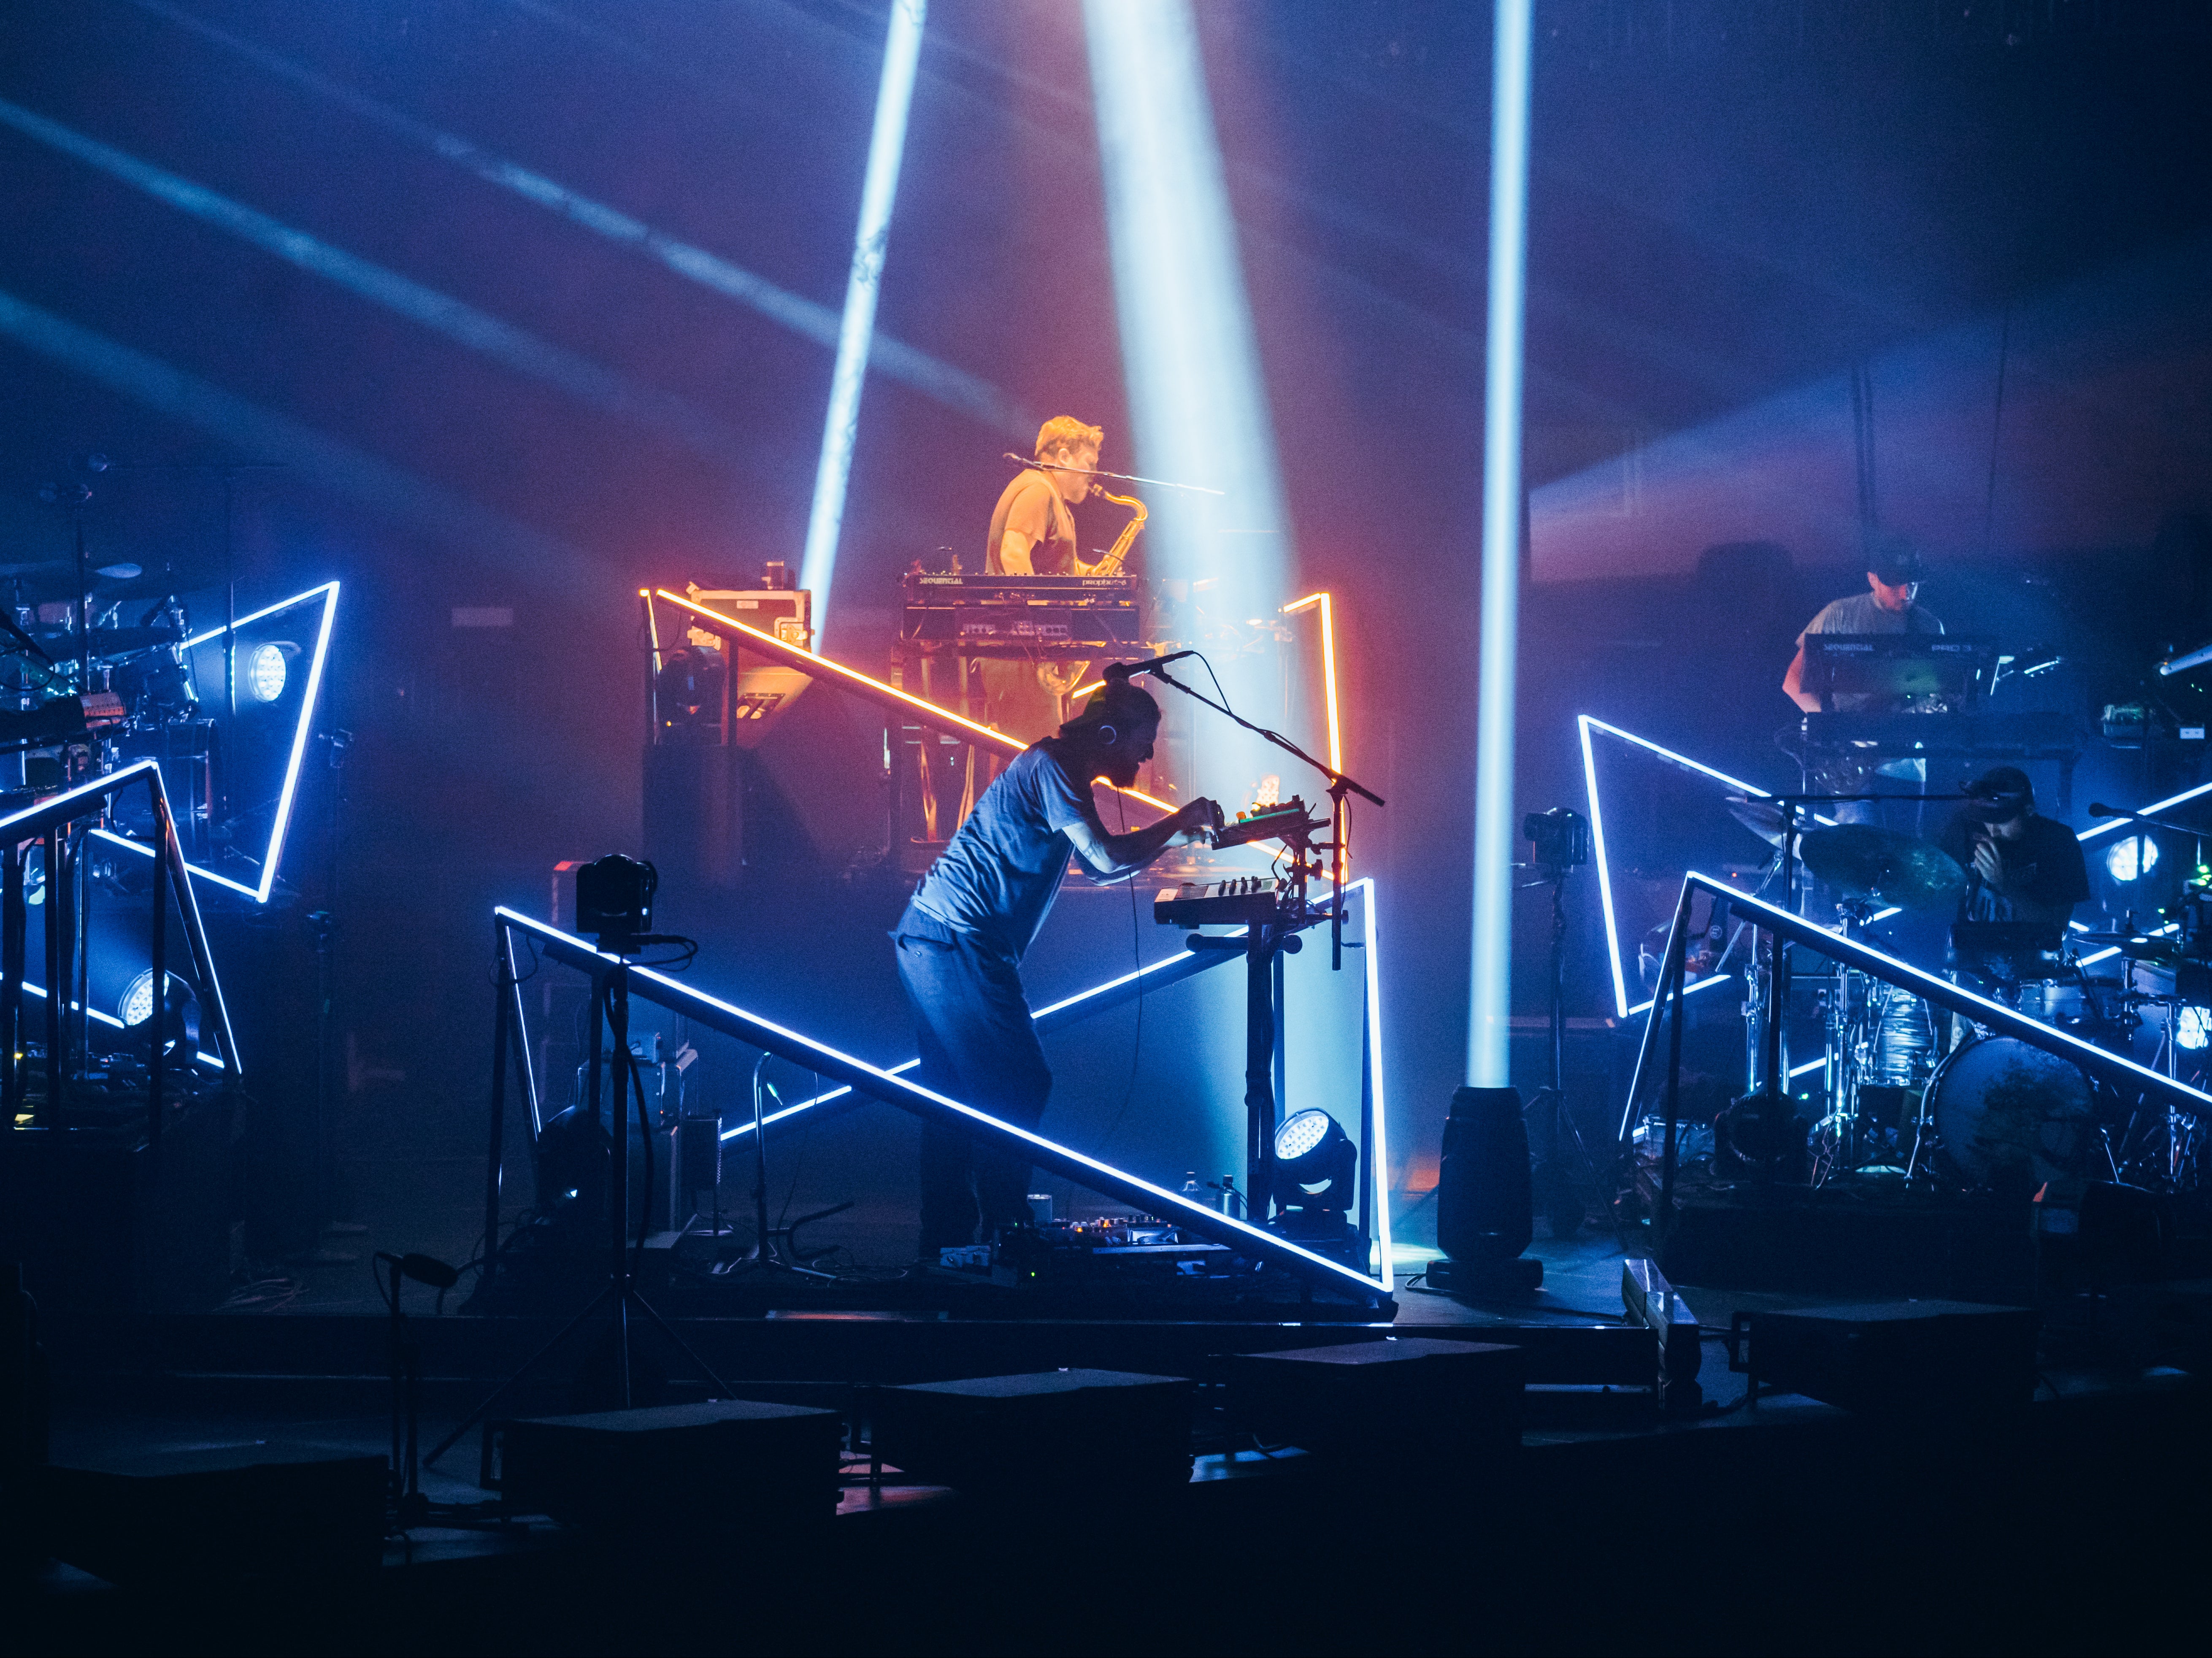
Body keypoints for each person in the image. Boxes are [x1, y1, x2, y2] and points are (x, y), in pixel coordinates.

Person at [891, 679, 1222, 1256]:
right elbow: (1102, 857)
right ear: (1110, 732)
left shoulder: (1061, 769)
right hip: (955, 939)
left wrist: (1173, 835)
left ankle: (949, 1242)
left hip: (935, 936)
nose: (1147, 758)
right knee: (1019, 1084)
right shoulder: (1053, 766)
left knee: (950, 1098)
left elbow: (1100, 869)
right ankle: (1006, 1233)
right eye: (1143, 744)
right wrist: (1176, 824)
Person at [978, 416, 1105, 741]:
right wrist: (1041, 622)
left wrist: (1097, 576)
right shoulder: (1038, 489)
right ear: (1063, 457)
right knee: (1035, 761)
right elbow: (1014, 552)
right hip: (1023, 649)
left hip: (1029, 649)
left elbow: (1052, 563)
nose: (1094, 475)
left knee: (1034, 760)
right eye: (1089, 464)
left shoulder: (1051, 497)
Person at [1781, 541, 1944, 715]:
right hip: (1848, 733)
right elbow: (1793, 681)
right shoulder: (1839, 614)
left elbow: (1943, 687)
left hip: (1909, 731)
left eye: (1912, 584)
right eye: (1895, 585)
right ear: (1872, 579)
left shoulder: (1930, 625)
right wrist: (1835, 725)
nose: (1905, 594)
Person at [1938, 765, 2091, 925]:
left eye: (2003, 821)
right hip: (1971, 949)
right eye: (1987, 819)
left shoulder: (2058, 841)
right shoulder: (1969, 831)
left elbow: (2056, 926)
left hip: (2030, 950)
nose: (1993, 831)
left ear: (2028, 810)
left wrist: (2002, 883)